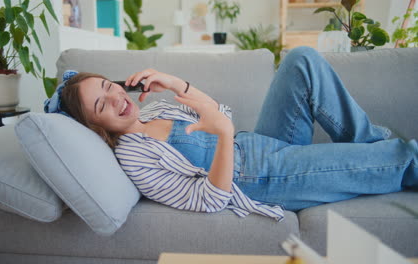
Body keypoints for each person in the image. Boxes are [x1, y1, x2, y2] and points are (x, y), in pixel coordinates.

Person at [45, 46, 418, 222]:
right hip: (261, 178)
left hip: (257, 142)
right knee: (401, 157)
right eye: (100, 105)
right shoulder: (134, 156)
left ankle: (372, 143)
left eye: (108, 87)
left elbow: (218, 113)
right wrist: (224, 136)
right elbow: (210, 200)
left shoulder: (153, 108)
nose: (115, 99)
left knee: (301, 61)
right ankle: (386, 154)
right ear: (97, 128)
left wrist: (176, 83)